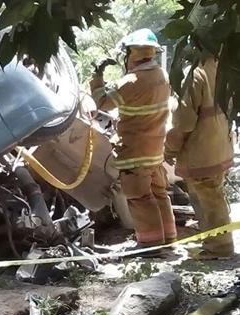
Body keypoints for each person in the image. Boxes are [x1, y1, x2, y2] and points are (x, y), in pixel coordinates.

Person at [89, 28, 176, 255]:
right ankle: (168, 238)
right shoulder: (161, 76)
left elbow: (102, 103)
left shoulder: (131, 81)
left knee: (140, 196)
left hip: (135, 149)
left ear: (131, 54)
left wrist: (97, 75)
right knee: (159, 193)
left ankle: (150, 244)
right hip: (155, 149)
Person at [165, 53, 235, 260]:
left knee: (209, 201)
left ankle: (219, 248)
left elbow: (183, 122)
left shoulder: (194, 74)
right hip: (220, 144)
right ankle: (214, 243)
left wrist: (169, 149)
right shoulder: (221, 67)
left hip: (201, 149)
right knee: (214, 197)